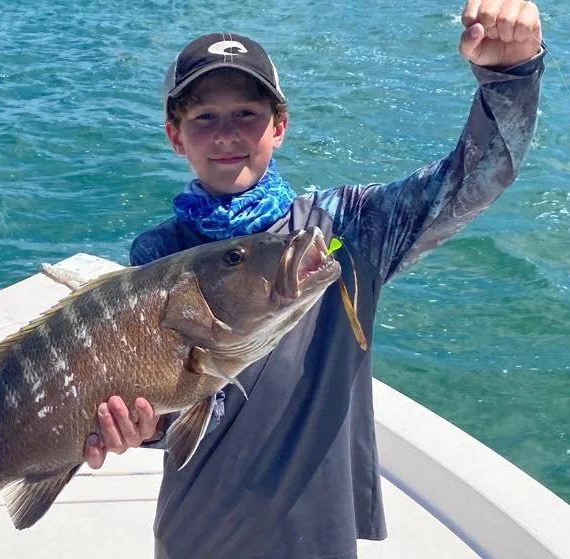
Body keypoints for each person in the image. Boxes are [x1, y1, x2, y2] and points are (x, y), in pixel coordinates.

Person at [83, 1, 544, 557]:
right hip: (194, 535)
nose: (227, 134)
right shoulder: (158, 254)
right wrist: (141, 426)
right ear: (176, 136)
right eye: (204, 117)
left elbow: (475, 177)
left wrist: (511, 75)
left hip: (318, 537)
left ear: (280, 125)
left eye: (247, 114)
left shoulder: (341, 231)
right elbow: (167, 408)